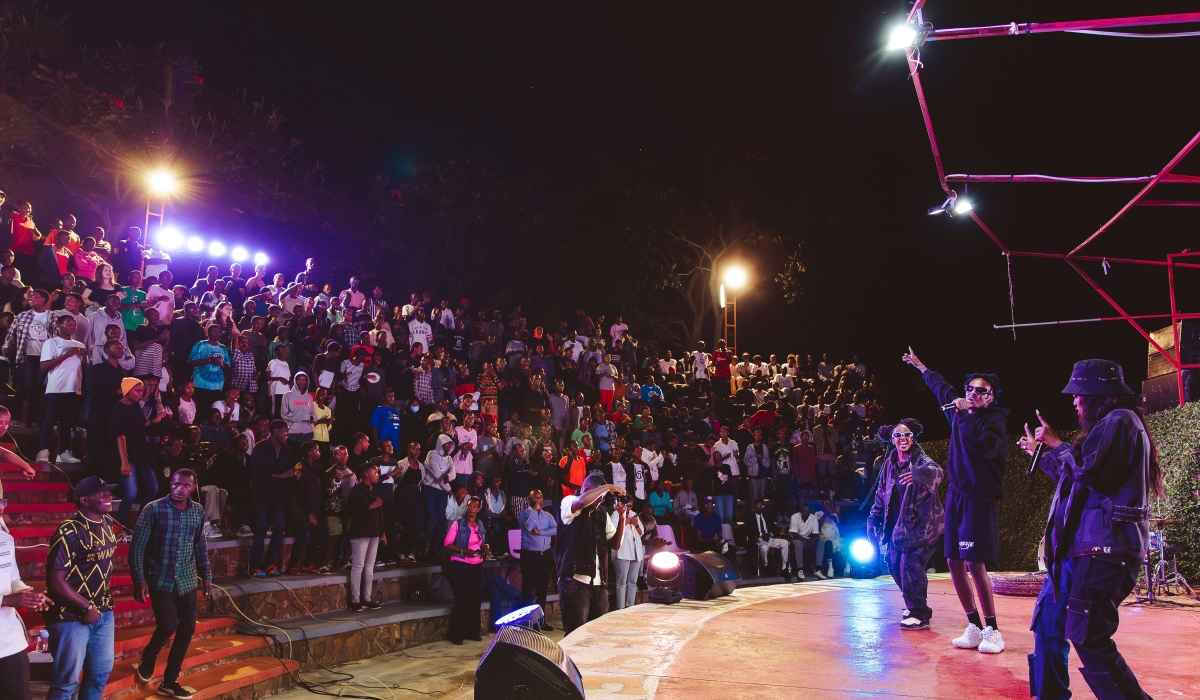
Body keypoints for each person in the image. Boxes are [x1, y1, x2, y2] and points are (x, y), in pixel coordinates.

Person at [1019, 359, 1159, 700]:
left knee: (1089, 636)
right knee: (1049, 626)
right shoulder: (1108, 426)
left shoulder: (1121, 421)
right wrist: (1043, 453)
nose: (1074, 401)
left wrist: (1056, 445)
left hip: (1104, 551)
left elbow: (1089, 473)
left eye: (1078, 394)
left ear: (1097, 395)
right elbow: (1080, 482)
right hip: (1077, 552)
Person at [903, 346, 1007, 653]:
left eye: (981, 390)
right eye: (970, 389)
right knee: (953, 561)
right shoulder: (960, 416)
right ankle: (973, 625)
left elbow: (983, 447)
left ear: (990, 397)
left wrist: (963, 414)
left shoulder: (993, 421)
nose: (973, 393)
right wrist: (922, 367)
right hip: (958, 496)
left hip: (979, 498)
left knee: (975, 563)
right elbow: (941, 388)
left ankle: (993, 630)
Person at [129, 469, 212, 699]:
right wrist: (140, 578)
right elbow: (137, 547)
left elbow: (199, 546)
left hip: (186, 578)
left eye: (185, 486)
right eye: (176, 485)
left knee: (187, 628)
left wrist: (206, 575)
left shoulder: (197, 511)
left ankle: (169, 681)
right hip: (160, 578)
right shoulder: (153, 509)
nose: (179, 489)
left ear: (192, 488)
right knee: (167, 624)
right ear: (170, 484)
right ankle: (149, 655)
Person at [43, 475, 119, 700]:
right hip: (70, 615)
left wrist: (96, 607)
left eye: (109, 493)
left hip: (103, 611)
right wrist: (86, 607)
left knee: (100, 674)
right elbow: (55, 581)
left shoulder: (107, 523)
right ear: (84, 500)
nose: (109, 497)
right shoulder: (69, 530)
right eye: (102, 494)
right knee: (66, 682)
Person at [867, 419, 944, 631]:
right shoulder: (890, 462)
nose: (903, 439)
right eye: (898, 435)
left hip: (922, 525)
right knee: (892, 562)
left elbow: (938, 473)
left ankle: (919, 613)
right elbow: (881, 493)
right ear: (892, 440)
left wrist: (919, 474)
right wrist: (873, 518)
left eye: (907, 434)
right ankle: (914, 605)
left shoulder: (921, 460)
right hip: (898, 526)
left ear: (913, 437)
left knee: (911, 565)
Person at [554, 473, 628, 634]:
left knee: (597, 635)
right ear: (586, 490)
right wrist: (608, 487)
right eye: (599, 495)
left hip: (598, 583)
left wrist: (622, 518)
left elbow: (615, 544)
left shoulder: (602, 513)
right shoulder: (569, 502)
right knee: (575, 635)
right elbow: (581, 502)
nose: (602, 499)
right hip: (575, 582)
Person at [0, 492, 49, 700]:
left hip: (10, 641)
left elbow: (13, 579)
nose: (0, 508)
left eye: (1, 502)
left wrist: (29, 595)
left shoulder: (5, 539)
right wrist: (12, 600)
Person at [38, 313, 86, 463]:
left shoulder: (80, 345)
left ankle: (63, 453)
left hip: (74, 387)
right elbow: (44, 366)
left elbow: (84, 367)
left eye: (74, 325)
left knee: (67, 421)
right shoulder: (51, 343)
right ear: (59, 326)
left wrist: (84, 358)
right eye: (68, 324)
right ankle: (43, 451)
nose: (72, 326)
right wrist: (67, 354)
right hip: (56, 387)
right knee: (50, 418)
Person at [249, 420, 293, 578]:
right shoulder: (260, 447)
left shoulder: (286, 449)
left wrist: (293, 473)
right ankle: (254, 566)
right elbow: (257, 472)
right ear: (275, 431)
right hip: (261, 493)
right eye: (284, 431)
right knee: (261, 529)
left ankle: (268, 563)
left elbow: (286, 469)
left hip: (276, 494)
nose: (287, 434)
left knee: (280, 526)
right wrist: (280, 476)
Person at [443, 495, 489, 644]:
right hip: (461, 561)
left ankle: (472, 631)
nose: (471, 509)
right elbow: (447, 544)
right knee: (462, 597)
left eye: (475, 506)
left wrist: (486, 548)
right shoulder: (458, 523)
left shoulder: (480, 524)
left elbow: (484, 542)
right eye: (469, 506)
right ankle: (457, 633)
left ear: (478, 509)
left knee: (475, 597)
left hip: (477, 562)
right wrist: (464, 551)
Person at [346, 463, 385, 610]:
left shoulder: (374, 490)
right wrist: (370, 506)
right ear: (367, 475)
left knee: (369, 566)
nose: (377, 476)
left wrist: (382, 532)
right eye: (375, 473)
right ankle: (355, 600)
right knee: (358, 566)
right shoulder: (356, 491)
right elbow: (351, 513)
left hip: (374, 532)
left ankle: (367, 598)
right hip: (360, 532)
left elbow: (380, 512)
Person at [517, 488, 556, 629]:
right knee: (528, 588)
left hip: (544, 555)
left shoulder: (548, 515)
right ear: (529, 499)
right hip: (530, 555)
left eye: (540, 497)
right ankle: (524, 622)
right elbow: (527, 527)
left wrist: (540, 532)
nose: (538, 500)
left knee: (542, 588)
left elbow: (555, 529)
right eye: (535, 498)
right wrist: (534, 511)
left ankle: (541, 621)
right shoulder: (524, 514)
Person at [420, 434, 456, 560]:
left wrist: (449, 477)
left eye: (450, 444)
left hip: (441, 492)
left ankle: (433, 551)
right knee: (432, 519)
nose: (449, 446)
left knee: (441, 521)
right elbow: (437, 474)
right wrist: (449, 488)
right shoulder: (432, 454)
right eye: (446, 443)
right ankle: (421, 550)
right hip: (430, 489)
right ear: (441, 443)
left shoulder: (449, 459)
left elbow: (453, 472)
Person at [610, 494, 644, 610]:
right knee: (621, 582)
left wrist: (636, 524)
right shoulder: (615, 514)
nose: (628, 508)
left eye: (630, 506)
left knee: (632, 581)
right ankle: (620, 607)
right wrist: (626, 521)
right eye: (626, 505)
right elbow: (612, 531)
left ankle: (630, 606)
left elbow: (641, 533)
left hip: (635, 552)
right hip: (622, 553)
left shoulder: (635, 515)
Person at [787, 503, 820, 580]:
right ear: (801, 511)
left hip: (807, 539)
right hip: (795, 539)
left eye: (807, 511)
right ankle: (800, 569)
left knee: (820, 542)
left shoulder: (813, 518)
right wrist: (807, 540)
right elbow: (794, 534)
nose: (805, 512)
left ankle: (818, 569)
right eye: (803, 510)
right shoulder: (794, 517)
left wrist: (815, 539)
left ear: (810, 511)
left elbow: (816, 533)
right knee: (799, 543)